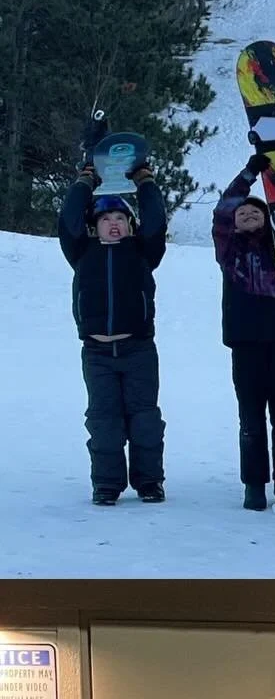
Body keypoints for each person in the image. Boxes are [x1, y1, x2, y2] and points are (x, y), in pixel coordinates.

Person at [58, 153, 168, 505]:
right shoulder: (81, 252)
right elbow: (67, 220)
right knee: (104, 420)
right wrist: (85, 181)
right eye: (106, 218)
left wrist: (145, 182)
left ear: (130, 224)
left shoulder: (142, 252)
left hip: (137, 350)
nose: (114, 223)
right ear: (95, 226)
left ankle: (149, 481)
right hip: (98, 352)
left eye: (121, 217)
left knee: (145, 419)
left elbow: (155, 221)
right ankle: (106, 483)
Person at [212, 155, 275, 512]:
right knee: (250, 416)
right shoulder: (228, 249)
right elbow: (224, 207)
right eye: (243, 214)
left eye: (256, 213)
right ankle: (254, 484)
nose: (248, 216)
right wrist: (249, 174)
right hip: (245, 340)